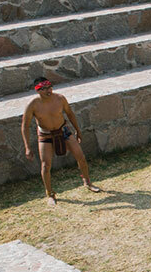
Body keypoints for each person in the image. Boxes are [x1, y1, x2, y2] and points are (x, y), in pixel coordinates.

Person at [21, 77, 102, 206]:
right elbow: (25, 126)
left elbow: (70, 114)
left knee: (80, 156)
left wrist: (78, 131)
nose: (48, 91)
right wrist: (27, 147)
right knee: (45, 165)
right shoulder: (33, 105)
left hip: (63, 131)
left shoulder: (60, 98)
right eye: (44, 89)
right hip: (45, 135)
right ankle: (50, 193)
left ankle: (88, 182)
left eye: (50, 87)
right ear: (38, 91)